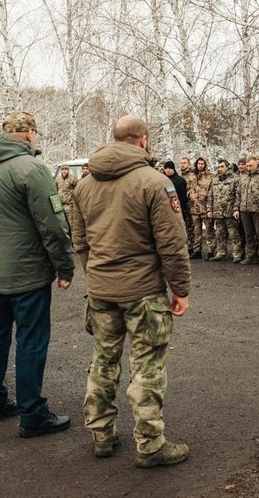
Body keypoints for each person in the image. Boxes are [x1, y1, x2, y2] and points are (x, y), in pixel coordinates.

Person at [73, 114, 190, 467]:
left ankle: (101, 435)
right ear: (143, 139)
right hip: (143, 291)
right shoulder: (153, 182)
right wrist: (180, 289)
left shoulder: (85, 184)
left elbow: (80, 241)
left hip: (101, 290)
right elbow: (172, 242)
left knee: (103, 362)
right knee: (148, 366)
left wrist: (94, 276)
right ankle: (151, 444)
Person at [0, 111, 74, 436]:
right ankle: (32, 413)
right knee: (31, 339)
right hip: (27, 273)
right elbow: (54, 224)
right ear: (28, 134)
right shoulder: (31, 169)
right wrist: (64, 264)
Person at [206, 160, 242, 262]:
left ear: (227, 167)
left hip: (229, 211)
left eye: (222, 166)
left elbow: (238, 196)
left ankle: (237, 254)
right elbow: (210, 196)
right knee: (219, 234)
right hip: (218, 212)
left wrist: (236, 209)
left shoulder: (235, 179)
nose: (220, 169)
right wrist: (209, 209)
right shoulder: (215, 180)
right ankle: (221, 253)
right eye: (218, 167)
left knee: (234, 234)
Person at [236, 156, 259, 265]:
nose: (249, 168)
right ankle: (250, 255)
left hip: (257, 211)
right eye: (247, 166)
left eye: (251, 166)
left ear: (257, 165)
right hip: (245, 210)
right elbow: (238, 194)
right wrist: (236, 208)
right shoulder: (243, 178)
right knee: (248, 234)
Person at [189, 157, 214, 259]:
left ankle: (211, 250)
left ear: (205, 165)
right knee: (197, 231)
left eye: (202, 164)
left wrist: (209, 207)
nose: (200, 165)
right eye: (198, 163)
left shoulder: (210, 177)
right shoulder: (192, 176)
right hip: (194, 207)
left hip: (204, 207)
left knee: (209, 230)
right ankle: (197, 250)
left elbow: (211, 192)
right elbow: (189, 188)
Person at [55, 164, 78, 230]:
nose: (64, 171)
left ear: (68, 170)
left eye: (66, 169)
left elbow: (77, 190)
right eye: (62, 169)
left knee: (71, 224)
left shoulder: (72, 178)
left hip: (70, 205)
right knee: (62, 224)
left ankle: (73, 239)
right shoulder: (58, 179)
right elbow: (55, 191)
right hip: (60, 205)